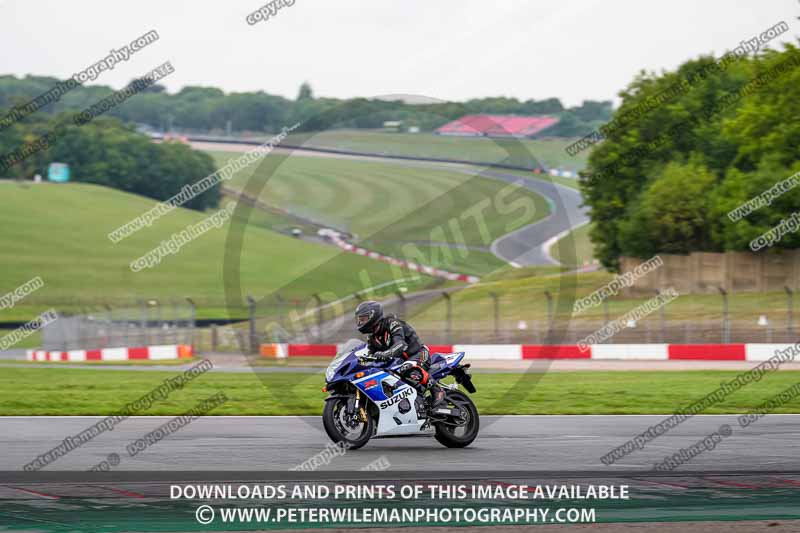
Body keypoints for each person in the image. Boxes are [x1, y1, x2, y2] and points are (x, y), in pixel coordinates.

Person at [354, 300, 445, 409]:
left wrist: (385, 354)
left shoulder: (392, 323)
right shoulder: (372, 338)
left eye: (363, 319)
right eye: (360, 320)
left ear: (373, 316)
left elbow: (401, 344)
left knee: (406, 368)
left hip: (419, 354)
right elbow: (370, 354)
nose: (361, 322)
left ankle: (437, 389)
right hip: (400, 361)